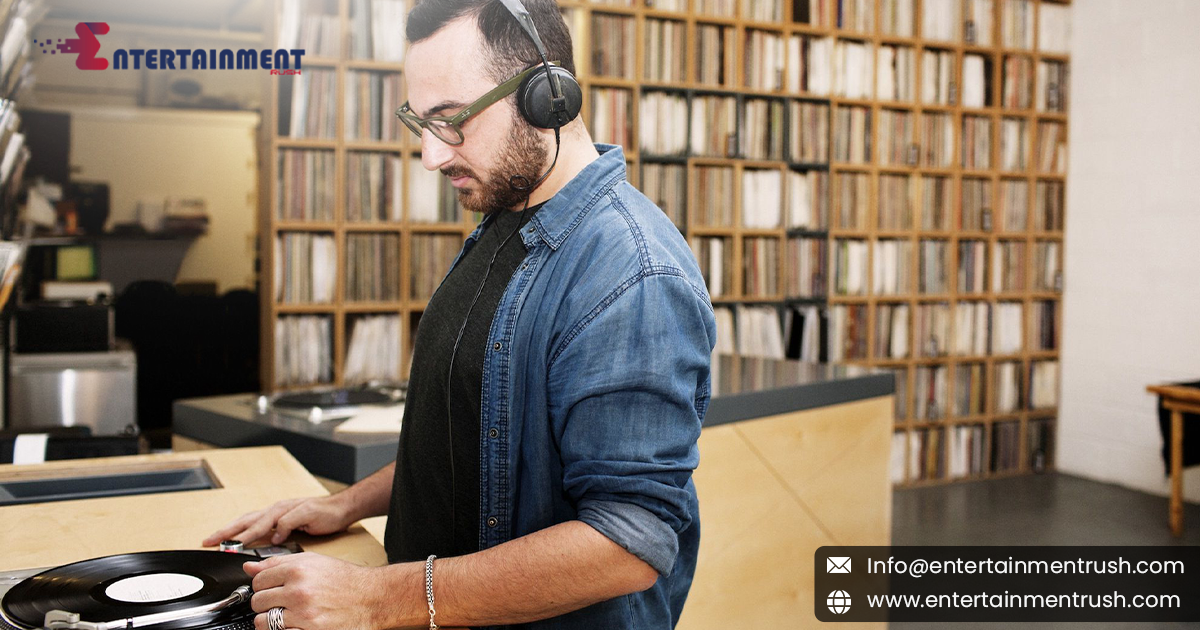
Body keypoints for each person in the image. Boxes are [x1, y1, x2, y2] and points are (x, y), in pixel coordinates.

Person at [204, 0, 715, 627]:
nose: (431, 156)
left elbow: (629, 541)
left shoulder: (632, 273)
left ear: (546, 96)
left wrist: (375, 598)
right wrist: (348, 505)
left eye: (453, 121)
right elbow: (471, 431)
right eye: (420, 123)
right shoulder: (505, 219)